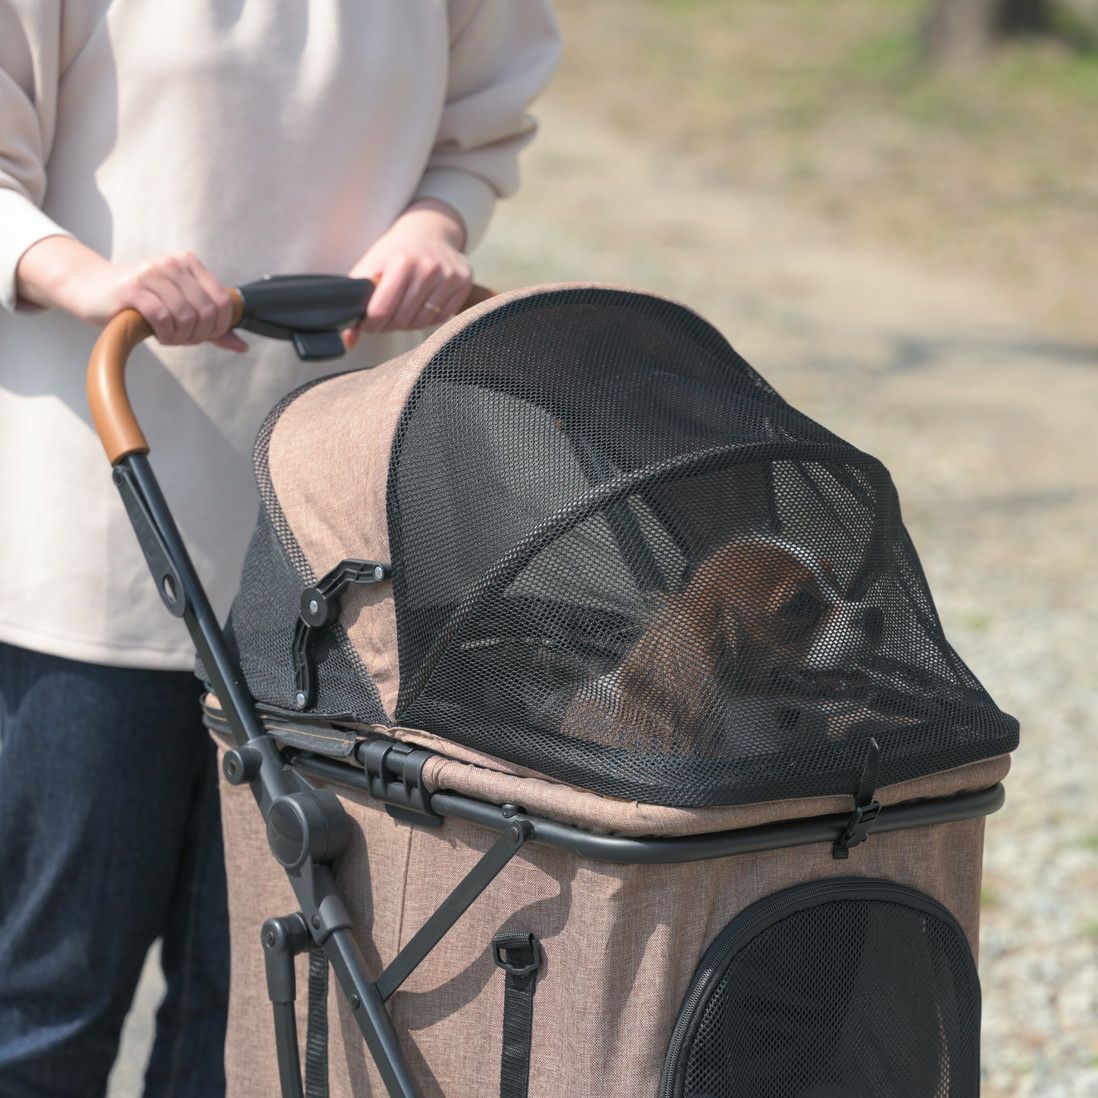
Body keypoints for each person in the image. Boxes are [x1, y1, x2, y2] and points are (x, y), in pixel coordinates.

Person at [0, 2, 560, 1095]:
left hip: (335, 566)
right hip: (96, 539)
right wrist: (90, 278)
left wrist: (435, 225)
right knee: (45, 1002)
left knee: (255, 1018)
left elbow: (480, 125)